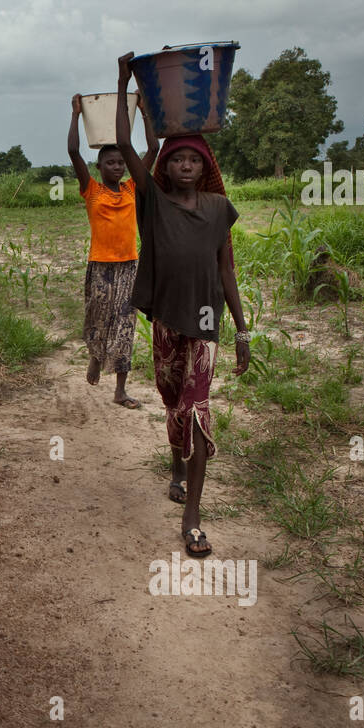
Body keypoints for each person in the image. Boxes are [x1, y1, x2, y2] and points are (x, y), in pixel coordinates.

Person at [115, 52, 251, 558]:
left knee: (196, 410)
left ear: (205, 166)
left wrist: (242, 330)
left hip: (206, 324)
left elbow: (226, 270)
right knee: (173, 404)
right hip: (167, 321)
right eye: (178, 159)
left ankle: (193, 517)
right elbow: (128, 145)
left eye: (194, 159)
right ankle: (175, 462)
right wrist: (125, 82)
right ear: (166, 169)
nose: (186, 165)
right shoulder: (151, 200)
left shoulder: (218, 209)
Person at [68, 93, 159, 407]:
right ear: (100, 166)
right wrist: (76, 114)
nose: (118, 167)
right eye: (111, 162)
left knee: (125, 325)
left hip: (128, 267)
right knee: (97, 317)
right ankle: (95, 355)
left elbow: (154, 149)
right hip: (100, 266)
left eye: (121, 162)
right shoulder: (91, 190)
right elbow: (72, 150)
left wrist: (145, 113)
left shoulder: (133, 188)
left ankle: (120, 390)